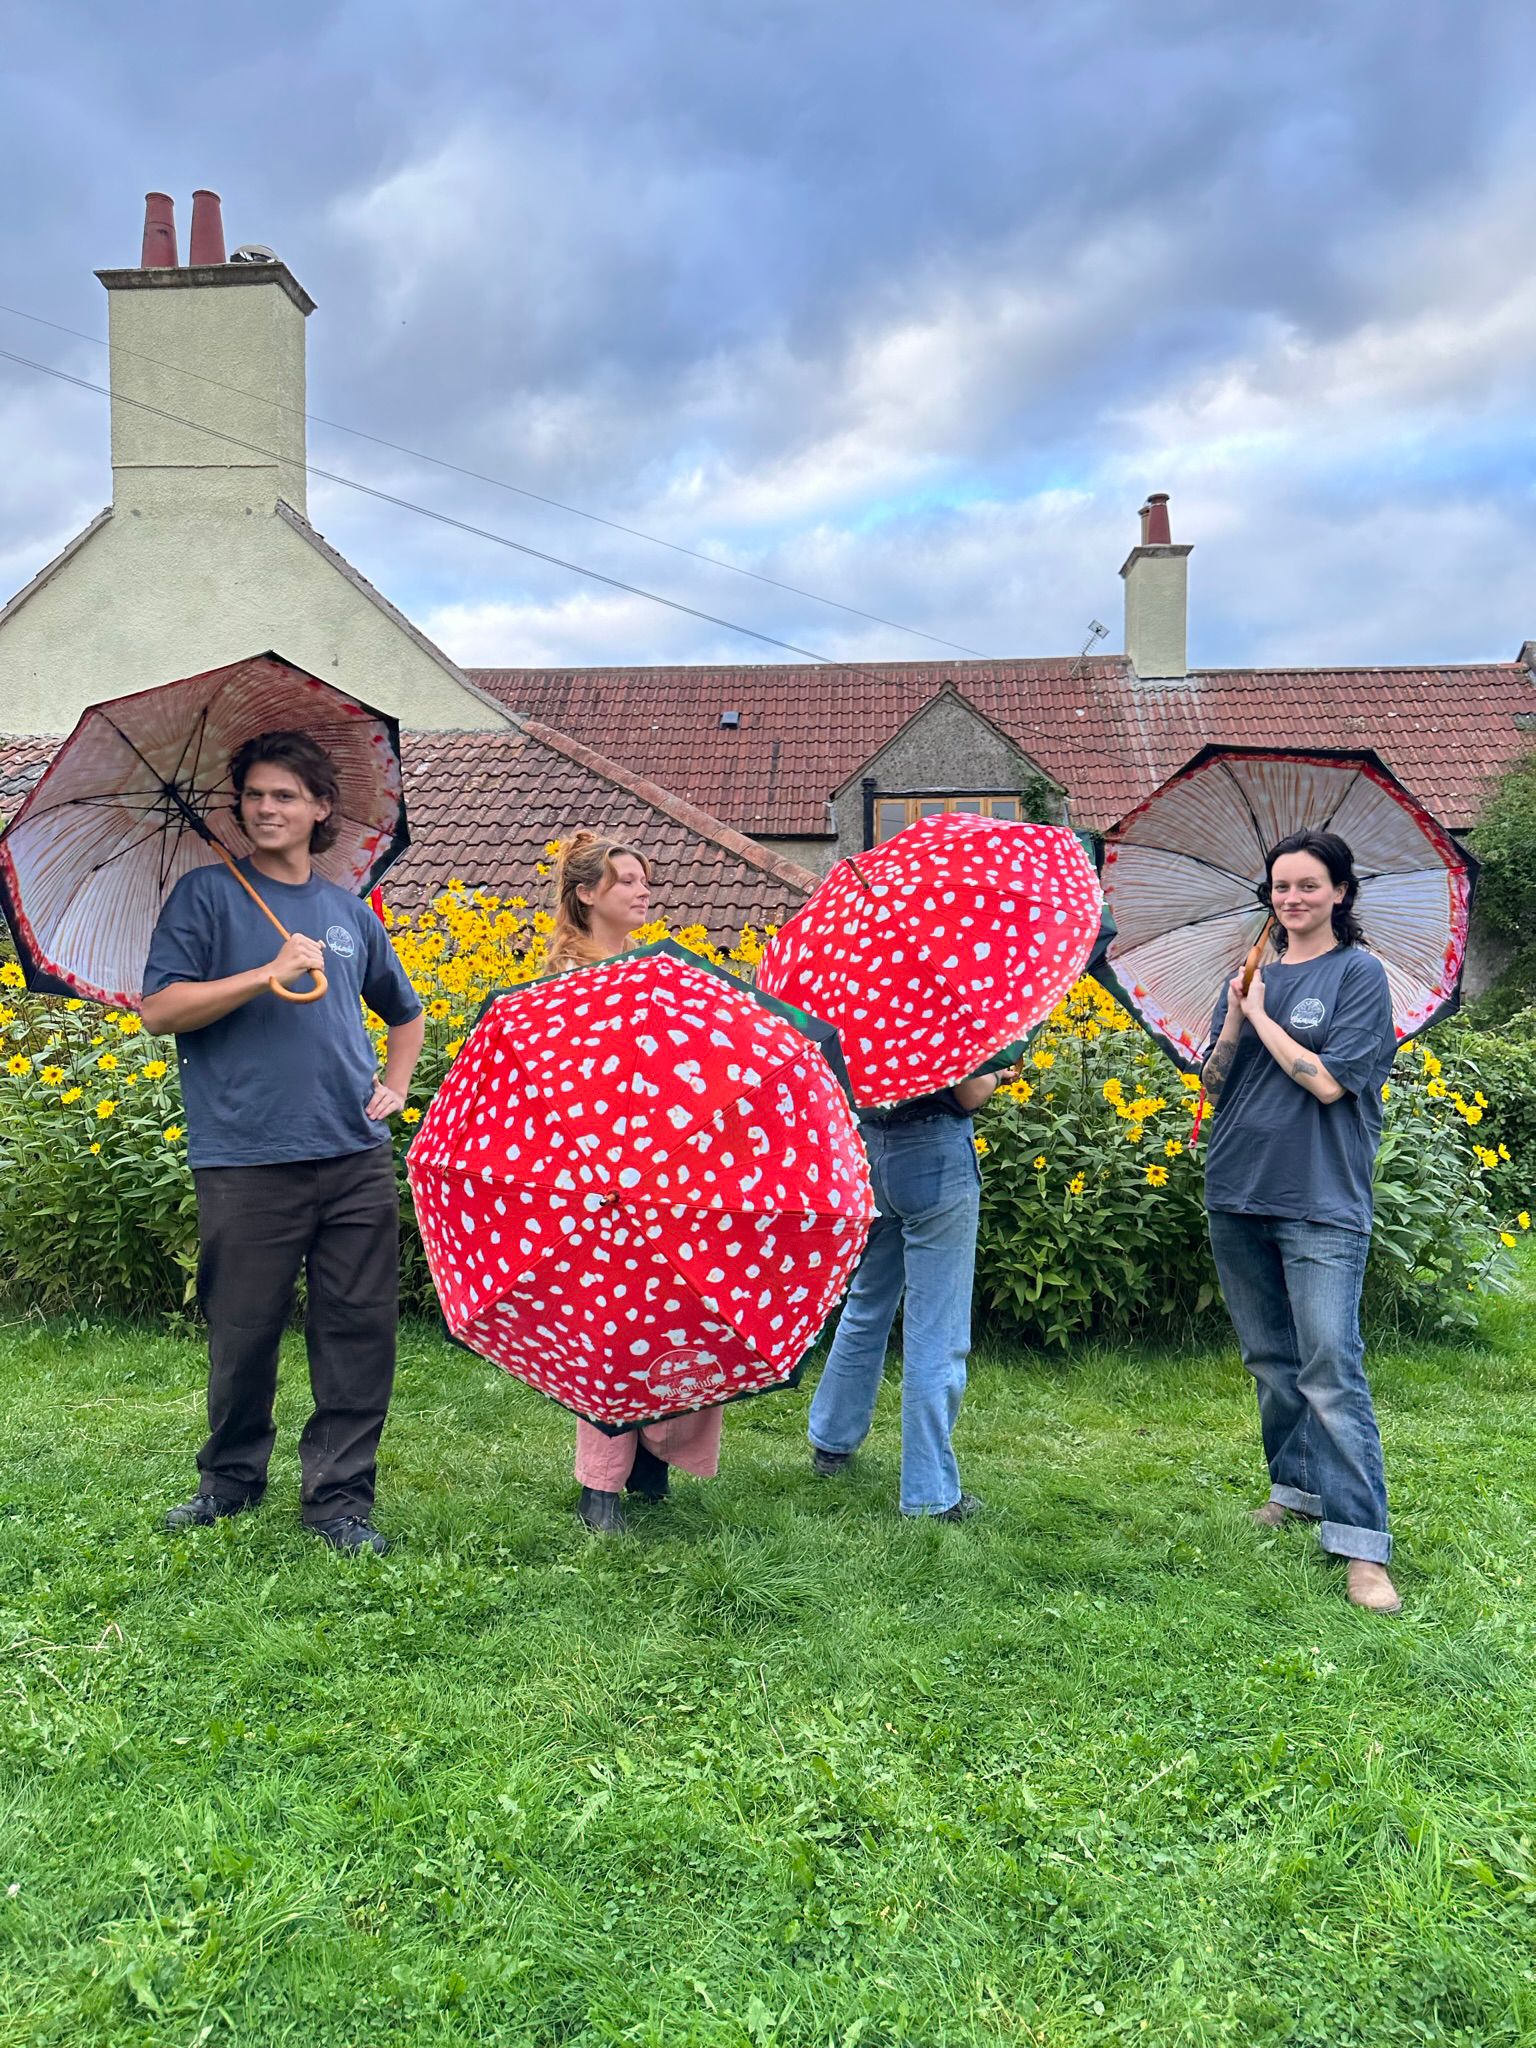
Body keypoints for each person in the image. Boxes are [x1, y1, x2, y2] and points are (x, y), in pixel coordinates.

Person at [141, 729, 424, 1555]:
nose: (267, 808)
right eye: (256, 795)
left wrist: (396, 1086)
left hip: (351, 1152)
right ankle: (229, 1481)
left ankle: (339, 1500)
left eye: (285, 796)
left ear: (320, 809)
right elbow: (161, 1010)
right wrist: (261, 975)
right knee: (244, 1328)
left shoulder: (346, 911)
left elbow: (402, 1014)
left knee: (358, 1331)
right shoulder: (206, 897)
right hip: (244, 1156)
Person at [1201, 829, 1401, 1614]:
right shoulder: (1249, 976)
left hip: (1320, 1197)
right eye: (1281, 887)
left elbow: (1328, 1084)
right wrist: (1232, 1019)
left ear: (1340, 894)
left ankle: (1362, 1547)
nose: (1292, 898)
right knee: (1270, 1361)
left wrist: (1264, 1016)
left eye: (1309, 886)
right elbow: (1219, 1082)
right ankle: (1295, 1489)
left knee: (1330, 1369)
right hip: (1237, 1186)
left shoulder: (1359, 975)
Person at [544, 831, 725, 1535]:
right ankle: (601, 1486)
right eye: (626, 881)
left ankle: (658, 1450)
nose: (642, 891)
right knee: (609, 1331)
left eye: (645, 880)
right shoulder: (569, 980)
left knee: (681, 1315)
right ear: (587, 894)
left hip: (664, 1172)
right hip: (597, 1184)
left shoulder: (651, 972)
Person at [807, 1058, 1002, 1520]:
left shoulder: (848, 990)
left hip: (869, 1146)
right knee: (937, 1327)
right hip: (935, 1152)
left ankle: (831, 1443)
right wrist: (994, 1073)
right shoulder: (937, 994)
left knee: (867, 1304)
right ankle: (929, 1494)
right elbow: (970, 1093)